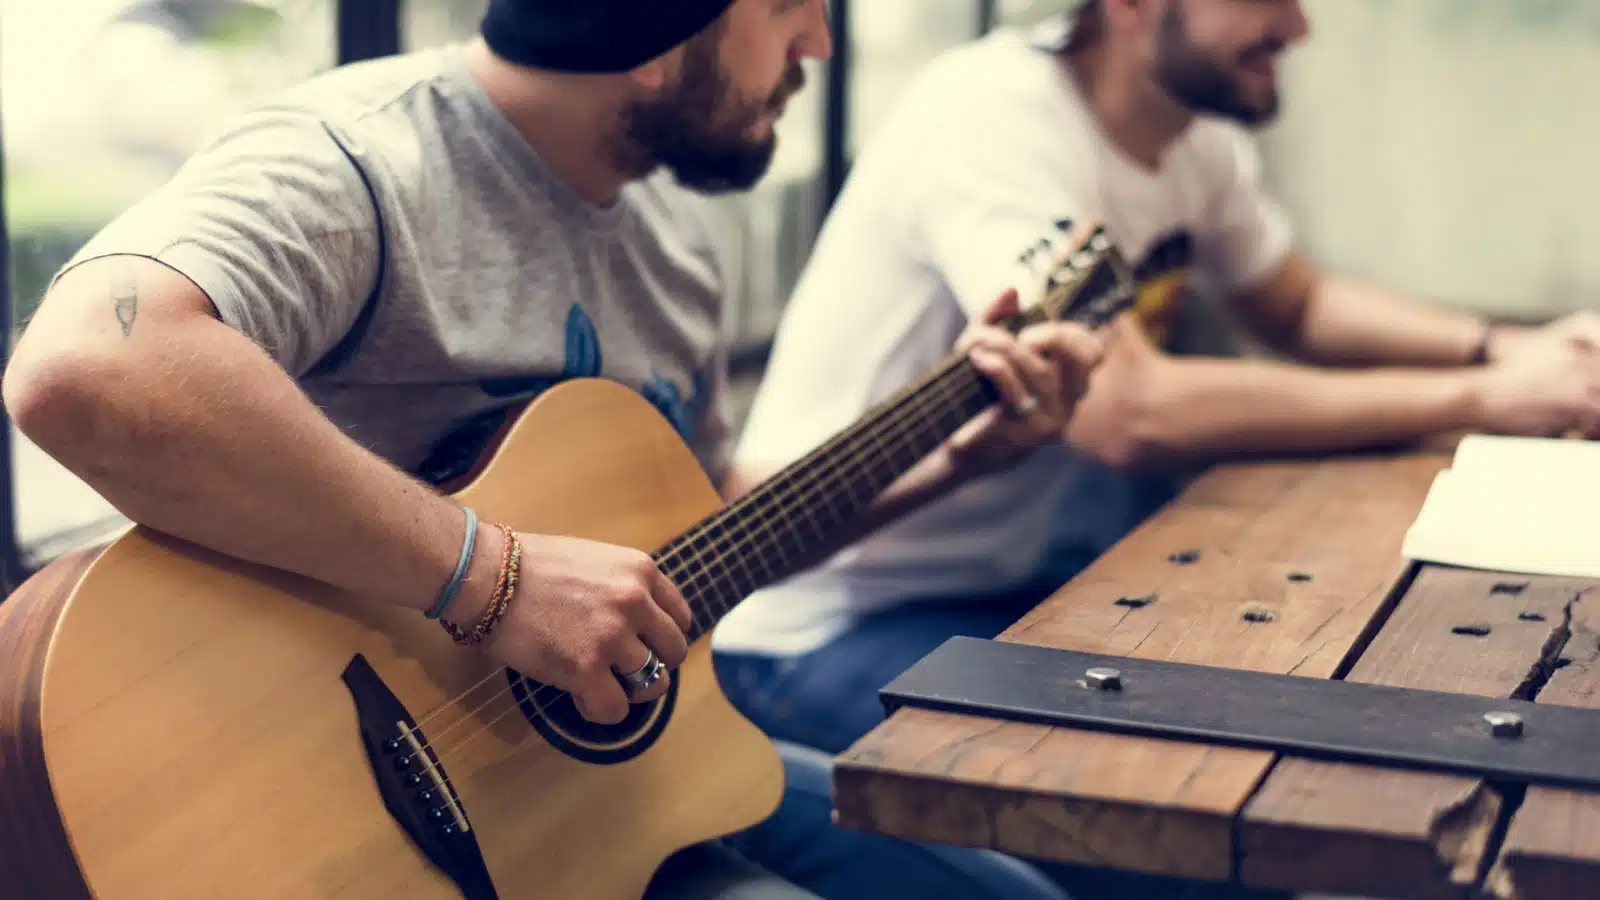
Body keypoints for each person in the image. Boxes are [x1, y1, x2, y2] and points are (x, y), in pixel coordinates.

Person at [1, 2, 1107, 899]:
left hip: (578, 783)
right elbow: (87, 365)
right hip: (325, 811)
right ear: (655, 49)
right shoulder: (363, 159)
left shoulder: (676, 234)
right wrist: (494, 580)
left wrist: (961, 452)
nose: (818, 41)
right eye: (784, 8)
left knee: (1005, 889)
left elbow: (698, 529)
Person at [712, 0, 1600, 758]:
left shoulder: (1189, 132)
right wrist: (1483, 400)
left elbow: (1297, 306)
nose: (1297, 24)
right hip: (817, 627)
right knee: (1196, 799)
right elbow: (1126, 413)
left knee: (1282, 725)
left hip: (1004, 583)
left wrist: (1510, 350)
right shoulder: (989, 116)